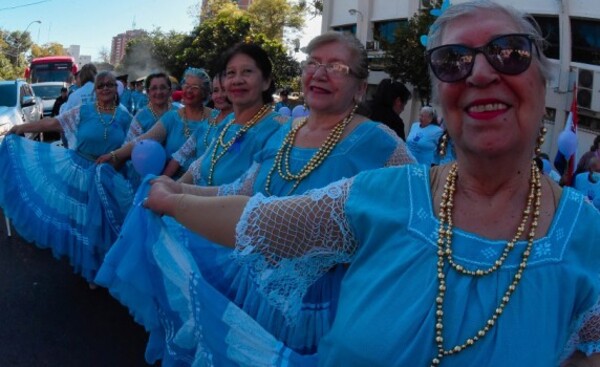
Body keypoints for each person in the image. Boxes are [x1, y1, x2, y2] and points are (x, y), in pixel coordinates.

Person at [143, 2, 600, 366]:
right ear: (440, 96)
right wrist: (173, 197)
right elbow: (258, 212)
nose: (480, 73)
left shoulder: (587, 235)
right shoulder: (385, 194)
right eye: (452, 61)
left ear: (545, 81)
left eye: (511, 52)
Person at [95, 43, 288, 365]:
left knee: (223, 326)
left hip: (233, 238)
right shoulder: (224, 123)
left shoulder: (279, 129)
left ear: (266, 81)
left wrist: (176, 197)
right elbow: (198, 163)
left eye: (247, 72)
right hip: (199, 224)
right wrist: (171, 184)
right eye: (230, 74)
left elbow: (246, 188)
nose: (235, 82)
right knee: (197, 320)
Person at [0, 71, 132, 284]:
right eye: (101, 86)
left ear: (116, 89)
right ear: (95, 90)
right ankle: (90, 268)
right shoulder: (84, 110)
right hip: (82, 173)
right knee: (85, 222)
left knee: (104, 223)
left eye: (110, 84)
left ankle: (106, 266)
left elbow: (132, 146)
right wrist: (20, 127)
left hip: (110, 175)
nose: (106, 88)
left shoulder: (125, 116)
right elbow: (51, 124)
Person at [97, 68, 213, 175]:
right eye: (154, 88)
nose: (158, 92)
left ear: (170, 90)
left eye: (163, 87)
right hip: (152, 176)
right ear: (147, 92)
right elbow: (138, 141)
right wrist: (114, 156)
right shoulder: (160, 117)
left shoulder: (181, 111)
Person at [163, 72, 233, 177]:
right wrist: (163, 182)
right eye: (215, 91)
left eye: (224, 90)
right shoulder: (205, 126)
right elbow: (179, 157)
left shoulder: (239, 126)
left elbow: (235, 158)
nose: (219, 95)